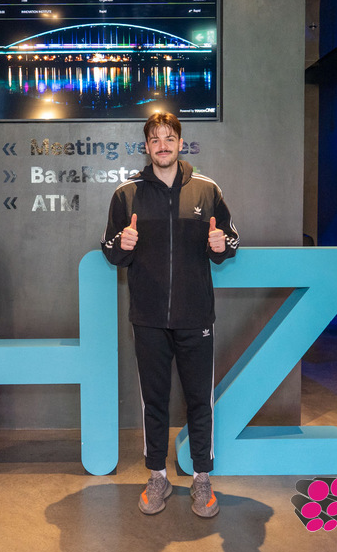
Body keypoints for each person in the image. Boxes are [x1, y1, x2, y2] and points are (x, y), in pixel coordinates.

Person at [101, 112, 239, 518]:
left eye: (169, 138)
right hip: (148, 318)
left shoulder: (207, 190)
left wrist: (221, 244)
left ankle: (202, 478)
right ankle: (157, 475)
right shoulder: (127, 195)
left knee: (199, 401)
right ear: (147, 147)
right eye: (155, 139)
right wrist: (123, 243)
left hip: (196, 316)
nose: (163, 145)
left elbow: (231, 239)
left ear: (181, 143)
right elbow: (110, 250)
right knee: (155, 402)